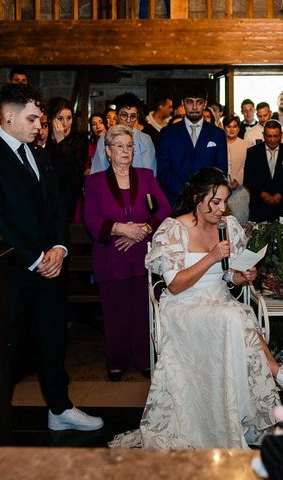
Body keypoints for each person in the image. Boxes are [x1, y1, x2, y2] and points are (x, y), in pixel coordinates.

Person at [110, 168, 283, 449]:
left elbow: (226, 274)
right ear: (197, 198)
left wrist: (241, 276)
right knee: (236, 315)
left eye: (224, 202)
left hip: (219, 301)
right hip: (184, 306)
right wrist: (210, 256)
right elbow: (174, 285)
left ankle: (242, 411)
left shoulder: (228, 226)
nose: (222, 209)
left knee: (234, 315)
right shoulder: (174, 229)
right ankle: (279, 373)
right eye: (215, 202)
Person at [0, 84, 103, 431]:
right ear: (8, 117)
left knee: (53, 339)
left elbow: (58, 205)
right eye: (31, 119)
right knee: (8, 347)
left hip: (51, 265)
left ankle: (60, 409)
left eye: (40, 120)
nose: (38, 126)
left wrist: (59, 248)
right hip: (12, 269)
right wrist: (35, 257)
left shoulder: (40, 154)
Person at [84, 125, 171, 381]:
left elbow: (164, 208)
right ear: (108, 151)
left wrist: (143, 229)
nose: (125, 151)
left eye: (129, 146)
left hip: (141, 254)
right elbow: (90, 218)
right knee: (114, 311)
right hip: (110, 255)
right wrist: (120, 229)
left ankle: (144, 359)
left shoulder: (145, 176)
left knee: (142, 309)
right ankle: (117, 361)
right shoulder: (95, 181)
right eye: (119, 146)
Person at [157, 84, 227, 206]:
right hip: (175, 200)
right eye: (189, 102)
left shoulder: (217, 134)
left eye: (199, 102)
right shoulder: (168, 133)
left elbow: (221, 171)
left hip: (207, 200)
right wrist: (185, 192)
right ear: (183, 103)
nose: (194, 107)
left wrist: (203, 194)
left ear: (205, 104)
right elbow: (163, 170)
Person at [244, 120, 283, 222]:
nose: (272, 140)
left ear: (281, 135)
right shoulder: (253, 153)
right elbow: (248, 179)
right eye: (269, 136)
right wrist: (262, 194)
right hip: (259, 207)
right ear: (263, 135)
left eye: (276, 136)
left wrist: (281, 194)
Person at [91, 93, 156, 175]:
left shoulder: (145, 139)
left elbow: (150, 172)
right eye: (124, 115)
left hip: (140, 185)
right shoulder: (105, 139)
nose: (128, 121)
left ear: (137, 116)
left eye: (133, 116)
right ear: (117, 115)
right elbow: (98, 172)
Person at [46, 97, 88, 222]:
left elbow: (73, 170)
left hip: (70, 200)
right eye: (60, 118)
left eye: (69, 118)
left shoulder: (79, 140)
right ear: (51, 119)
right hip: (48, 200)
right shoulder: (45, 141)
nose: (65, 123)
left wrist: (61, 141)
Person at [223, 115, 250, 223]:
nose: (232, 129)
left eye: (234, 127)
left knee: (240, 221)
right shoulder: (220, 143)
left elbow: (246, 165)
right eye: (229, 126)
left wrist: (237, 181)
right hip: (222, 189)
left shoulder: (245, 145)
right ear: (224, 127)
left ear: (239, 128)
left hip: (240, 189)